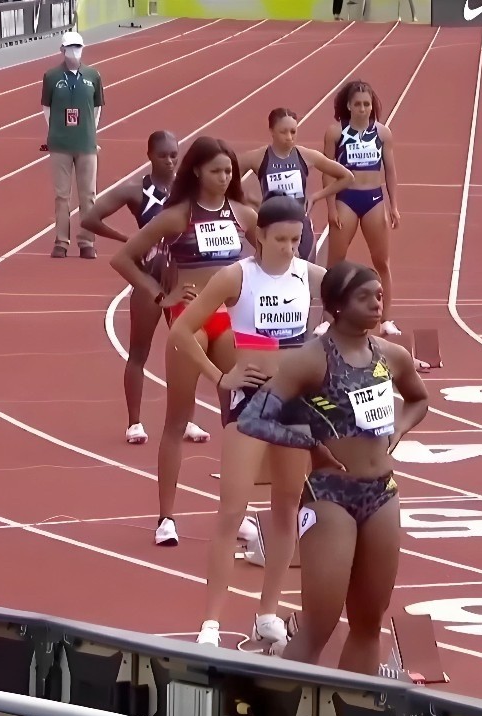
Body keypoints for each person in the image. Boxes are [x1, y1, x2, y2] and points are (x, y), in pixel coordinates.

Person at [233, 260, 429, 672]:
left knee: (368, 626)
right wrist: (311, 446)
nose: (377, 304)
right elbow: (253, 418)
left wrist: (398, 433)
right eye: (364, 297)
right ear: (336, 307)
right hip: (330, 499)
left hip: (381, 495)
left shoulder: (392, 356)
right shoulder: (311, 360)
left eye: (379, 295)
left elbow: (418, 399)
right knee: (317, 626)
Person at [168, 193, 327, 652]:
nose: (289, 247)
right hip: (249, 402)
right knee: (231, 510)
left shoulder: (308, 275)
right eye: (280, 239)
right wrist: (222, 376)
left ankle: (268, 614)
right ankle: (211, 623)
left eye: (296, 239)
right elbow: (181, 331)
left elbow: (351, 294)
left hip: (294, 404)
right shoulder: (236, 277)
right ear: (259, 236)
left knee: (287, 507)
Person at [109, 136, 256, 547]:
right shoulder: (178, 216)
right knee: (178, 419)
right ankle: (166, 518)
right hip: (187, 323)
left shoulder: (242, 214)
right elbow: (123, 258)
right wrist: (162, 296)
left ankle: (237, 513)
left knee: (240, 420)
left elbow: (273, 258)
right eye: (217, 171)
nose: (225, 178)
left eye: (229, 171)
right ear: (196, 171)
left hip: (227, 322)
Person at [80, 130, 212, 446]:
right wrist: (129, 241)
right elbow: (89, 218)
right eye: (164, 155)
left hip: (182, 279)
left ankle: (188, 420)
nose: (170, 160)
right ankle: (134, 423)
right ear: (150, 156)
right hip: (150, 280)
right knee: (139, 352)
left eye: (174, 155)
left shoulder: (188, 191)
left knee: (187, 353)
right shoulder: (136, 192)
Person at [323, 81, 403, 336]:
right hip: (346, 198)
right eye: (357, 104)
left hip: (373, 200)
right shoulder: (335, 133)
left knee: (382, 261)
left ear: (372, 106)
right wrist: (331, 206)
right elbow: (327, 170)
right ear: (348, 105)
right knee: (335, 263)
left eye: (366, 104)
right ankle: (327, 318)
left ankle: (387, 319)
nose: (362, 108)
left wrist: (394, 206)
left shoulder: (382, 133)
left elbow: (390, 170)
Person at [240, 107, 355, 263]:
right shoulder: (257, 158)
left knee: (306, 275)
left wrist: (315, 196)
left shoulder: (306, 156)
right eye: (283, 132)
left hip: (301, 225)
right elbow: (228, 180)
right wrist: (248, 203)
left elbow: (347, 177)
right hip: (272, 227)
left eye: (293, 132)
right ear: (271, 131)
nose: (289, 137)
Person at [42, 31, 104, 259]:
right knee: (62, 195)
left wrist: (90, 131)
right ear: (62, 50)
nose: (74, 51)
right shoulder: (51, 76)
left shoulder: (93, 75)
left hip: (86, 144)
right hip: (60, 144)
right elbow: (46, 109)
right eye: (70, 47)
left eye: (78, 47)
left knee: (88, 195)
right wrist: (56, 130)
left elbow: (98, 108)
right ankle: (61, 241)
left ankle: (87, 241)